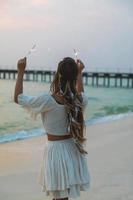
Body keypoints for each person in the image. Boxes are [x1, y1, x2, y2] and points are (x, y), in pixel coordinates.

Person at [14, 56, 91, 200]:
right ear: (74, 77)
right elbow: (81, 93)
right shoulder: (78, 100)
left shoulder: (48, 100)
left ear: (58, 75)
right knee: (62, 197)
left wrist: (20, 71)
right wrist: (80, 73)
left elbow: (18, 98)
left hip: (56, 151)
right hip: (71, 149)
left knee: (59, 197)